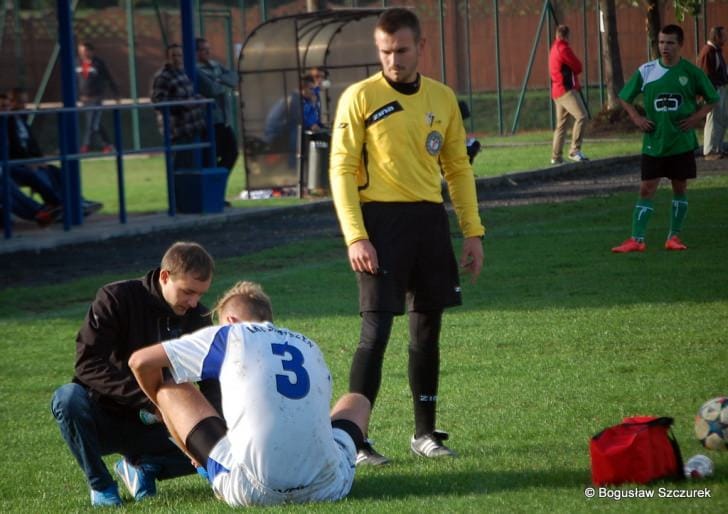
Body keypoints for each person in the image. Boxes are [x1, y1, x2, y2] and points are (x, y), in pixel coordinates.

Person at [329, 8, 485, 465]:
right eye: (384, 51)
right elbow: (339, 169)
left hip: (429, 222)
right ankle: (355, 441)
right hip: (381, 224)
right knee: (375, 331)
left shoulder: (443, 98)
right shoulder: (360, 97)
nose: (392, 60)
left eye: (400, 50)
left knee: (427, 331)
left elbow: (457, 167)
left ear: (420, 47)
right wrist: (356, 236)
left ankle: (424, 434)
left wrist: (472, 232)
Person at [128, 281, 371, 507]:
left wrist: (162, 411)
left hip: (253, 489)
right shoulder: (307, 344)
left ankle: (205, 466)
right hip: (328, 487)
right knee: (356, 401)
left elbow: (140, 362)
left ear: (231, 320)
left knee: (170, 388)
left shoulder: (231, 335)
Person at [50, 242, 222, 507]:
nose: (194, 302)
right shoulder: (116, 297)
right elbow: (87, 365)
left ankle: (145, 466)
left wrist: (216, 431)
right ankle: (102, 486)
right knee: (67, 398)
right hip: (107, 416)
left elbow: (211, 380)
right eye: (188, 292)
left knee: (224, 445)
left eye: (200, 294)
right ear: (165, 277)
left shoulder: (197, 315)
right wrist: (149, 402)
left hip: (160, 425)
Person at [612, 24, 718, 253]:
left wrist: (695, 118)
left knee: (679, 188)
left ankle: (674, 237)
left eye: (670, 42)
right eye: (661, 42)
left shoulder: (691, 73)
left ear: (680, 45)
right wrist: (636, 118)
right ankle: (636, 239)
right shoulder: (647, 70)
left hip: (680, 141)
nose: (664, 47)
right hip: (654, 141)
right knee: (646, 189)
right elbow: (625, 97)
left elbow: (713, 99)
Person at [6, 87, 103, 217]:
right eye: (19, 102)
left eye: (24, 102)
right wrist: (29, 162)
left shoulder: (21, 119)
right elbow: (12, 148)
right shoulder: (7, 121)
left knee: (54, 170)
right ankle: (59, 205)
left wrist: (39, 159)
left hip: (27, 161)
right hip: (15, 164)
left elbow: (31, 144)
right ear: (11, 102)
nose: (23, 106)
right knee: (36, 174)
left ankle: (77, 200)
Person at [151, 43, 207, 171]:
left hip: (191, 128)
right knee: (179, 167)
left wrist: (199, 100)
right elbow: (158, 102)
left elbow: (189, 95)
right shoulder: (163, 77)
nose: (177, 58)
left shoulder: (182, 73)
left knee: (190, 166)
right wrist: (184, 105)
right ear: (167, 58)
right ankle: (177, 190)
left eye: (179, 55)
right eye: (173, 55)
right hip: (177, 130)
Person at [195, 37, 239, 173]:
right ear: (195, 52)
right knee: (212, 157)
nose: (208, 52)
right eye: (203, 50)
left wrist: (218, 80)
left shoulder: (215, 65)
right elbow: (212, 89)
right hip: (209, 121)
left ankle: (218, 180)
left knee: (232, 153)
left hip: (223, 119)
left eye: (208, 49)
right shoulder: (195, 70)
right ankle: (214, 183)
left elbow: (234, 78)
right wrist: (222, 83)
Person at [549, 24, 589, 164]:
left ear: (556, 35)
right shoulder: (564, 48)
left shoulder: (553, 48)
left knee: (561, 125)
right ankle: (574, 150)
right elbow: (578, 66)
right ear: (566, 36)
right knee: (582, 116)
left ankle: (556, 157)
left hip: (556, 91)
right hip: (566, 90)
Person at [76, 41, 120, 154]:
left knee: (92, 123)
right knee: (95, 124)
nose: (82, 53)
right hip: (84, 99)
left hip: (96, 98)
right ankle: (108, 145)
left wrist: (116, 93)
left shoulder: (98, 63)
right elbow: (75, 81)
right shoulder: (77, 63)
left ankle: (85, 146)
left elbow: (108, 77)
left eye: (85, 51)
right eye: (80, 51)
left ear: (91, 51)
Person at [697, 26, 728, 159]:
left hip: (719, 89)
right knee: (713, 119)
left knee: (720, 119)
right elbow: (704, 76)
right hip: (714, 91)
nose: (725, 38)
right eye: (724, 36)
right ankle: (709, 150)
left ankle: (717, 148)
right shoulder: (708, 52)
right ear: (717, 37)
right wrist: (708, 94)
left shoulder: (715, 51)